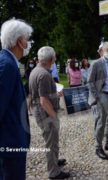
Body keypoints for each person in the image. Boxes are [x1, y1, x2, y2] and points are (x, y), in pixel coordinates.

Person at [29, 46, 70, 179]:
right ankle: (53, 172)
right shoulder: (44, 74)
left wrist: (56, 94)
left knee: (52, 140)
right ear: (51, 59)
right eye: (55, 57)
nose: (55, 59)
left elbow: (40, 94)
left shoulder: (36, 70)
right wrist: (54, 117)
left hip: (42, 111)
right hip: (46, 113)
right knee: (50, 142)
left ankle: (54, 161)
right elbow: (43, 100)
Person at [0, 18, 32, 180]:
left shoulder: (10, 63)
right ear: (20, 41)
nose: (28, 42)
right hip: (9, 144)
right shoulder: (7, 65)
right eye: (27, 38)